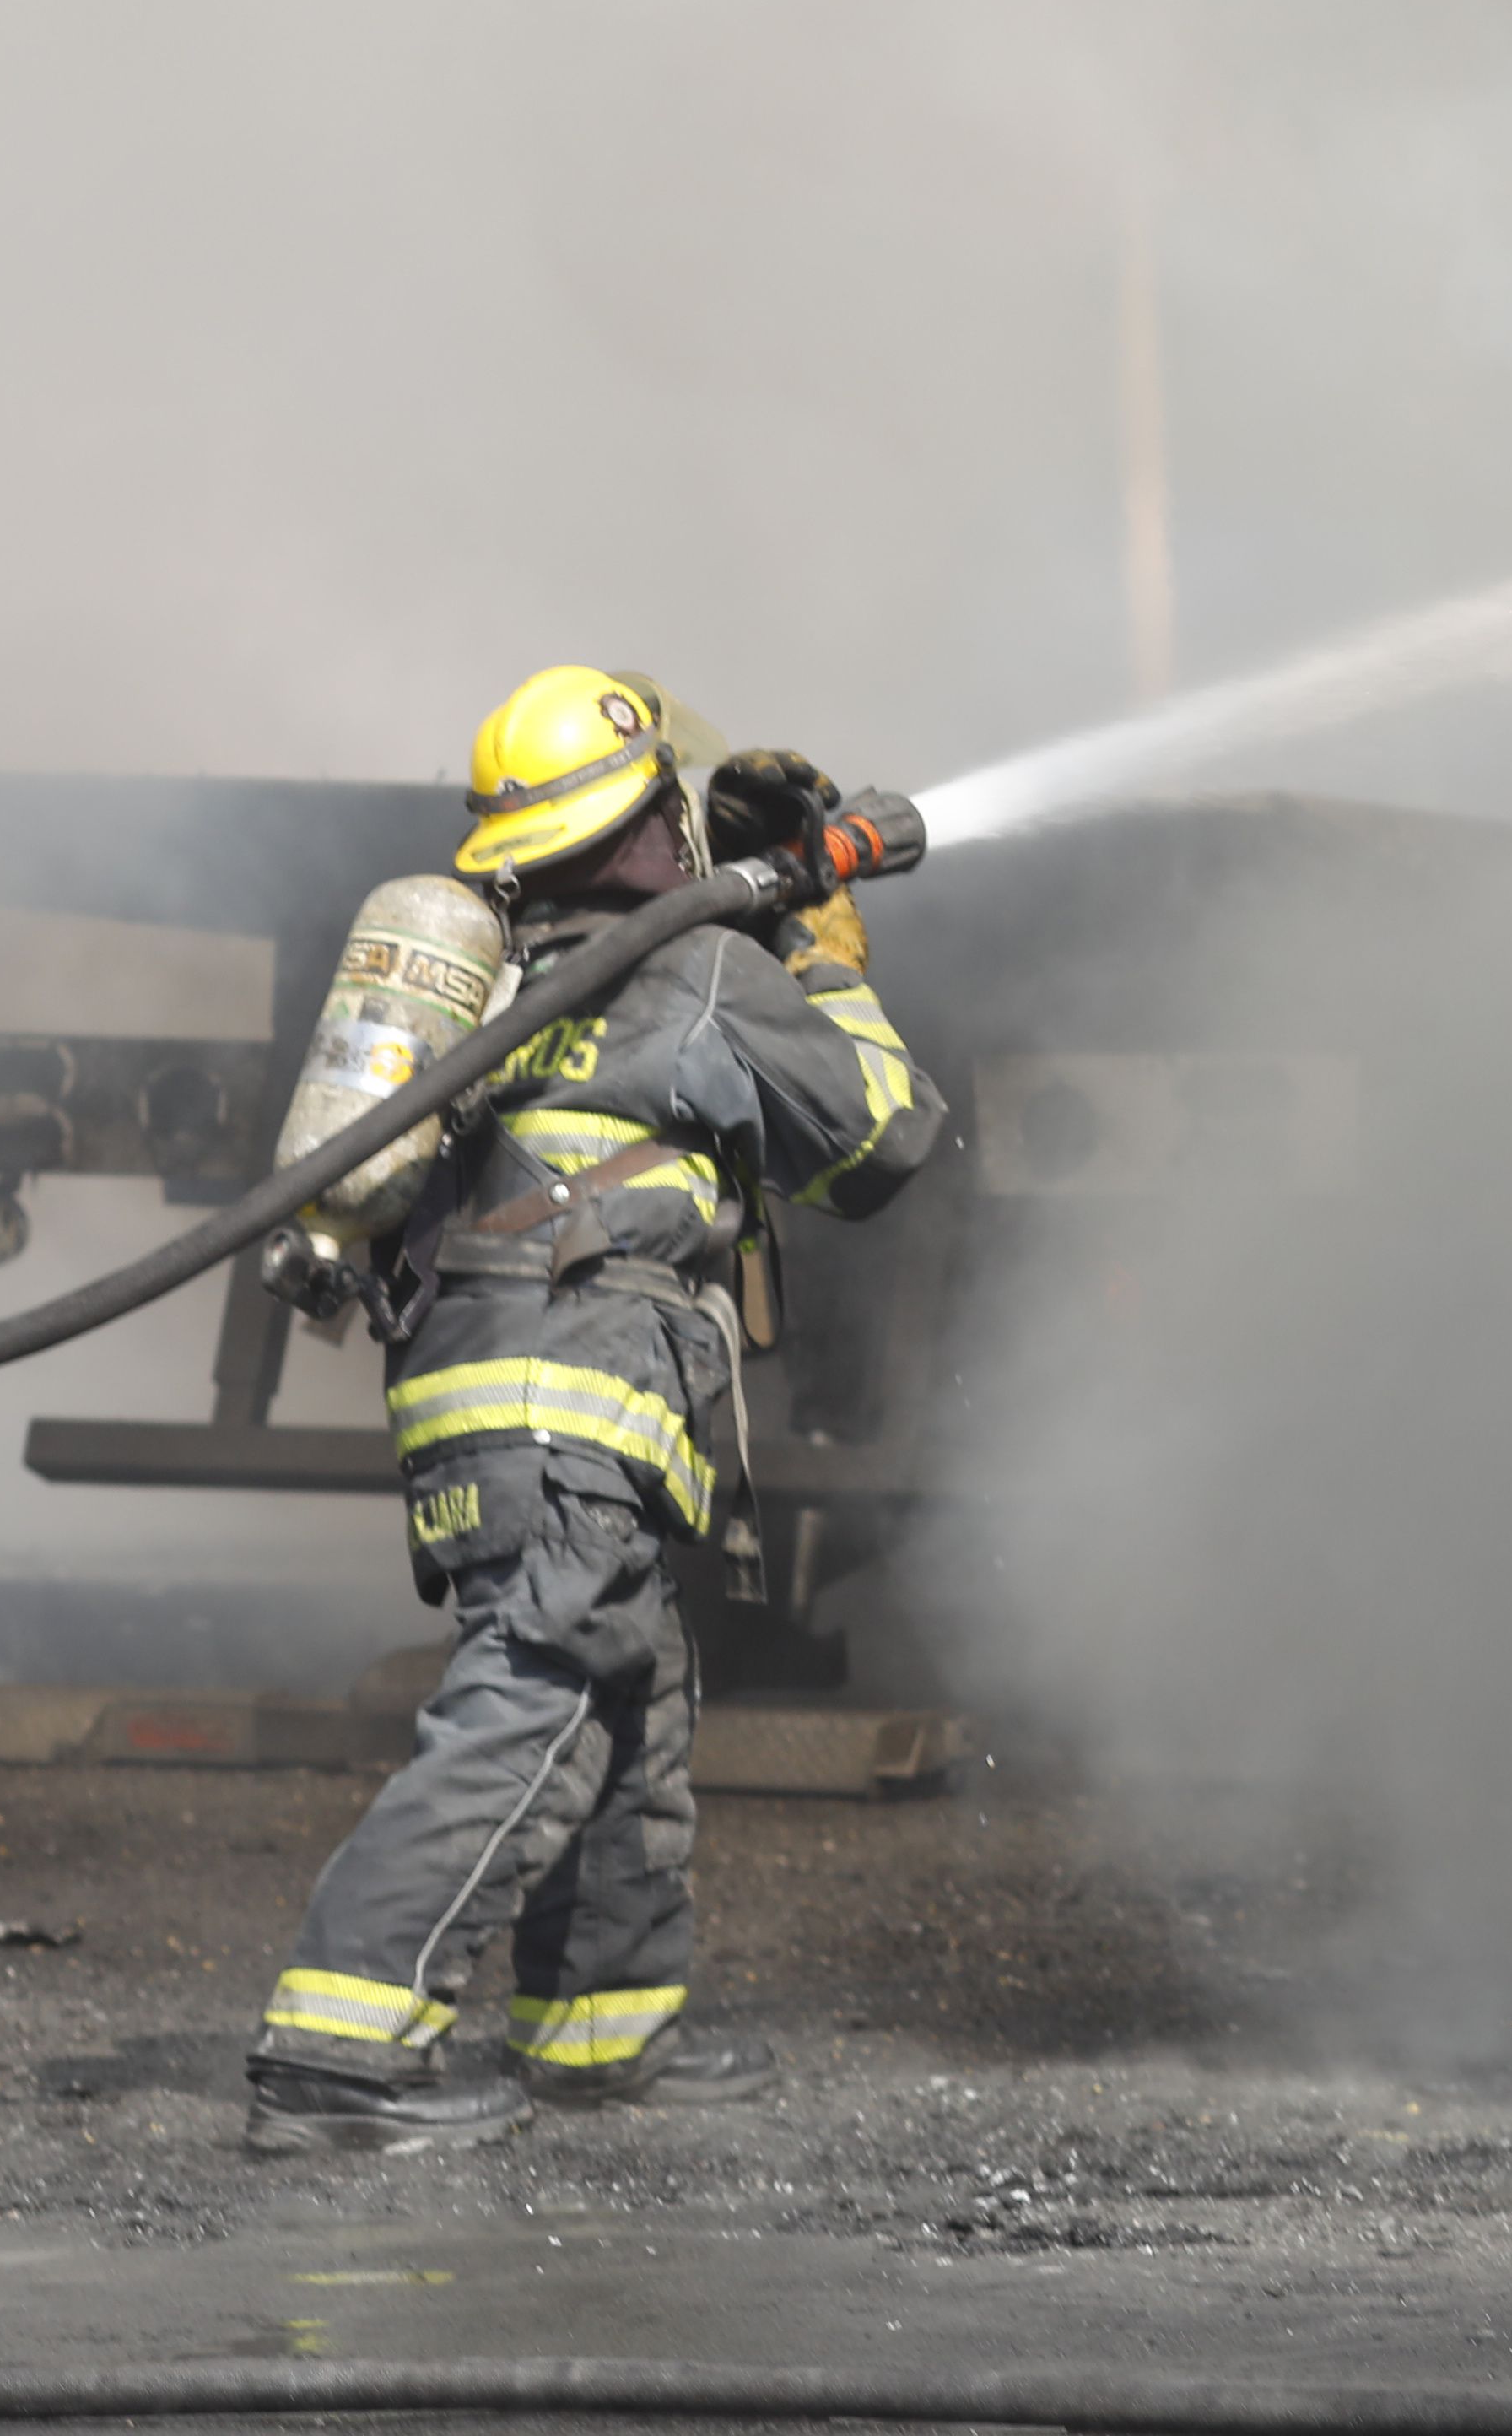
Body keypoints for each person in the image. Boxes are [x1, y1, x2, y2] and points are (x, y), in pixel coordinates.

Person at [244, 664, 946, 2156]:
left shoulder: (501, 990)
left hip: (489, 1406)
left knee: (628, 1697)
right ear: (649, 821)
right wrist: (822, 951)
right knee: (542, 1702)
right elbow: (885, 1143)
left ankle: (597, 2034)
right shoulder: (695, 977)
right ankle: (333, 2060)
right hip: (579, 1403)